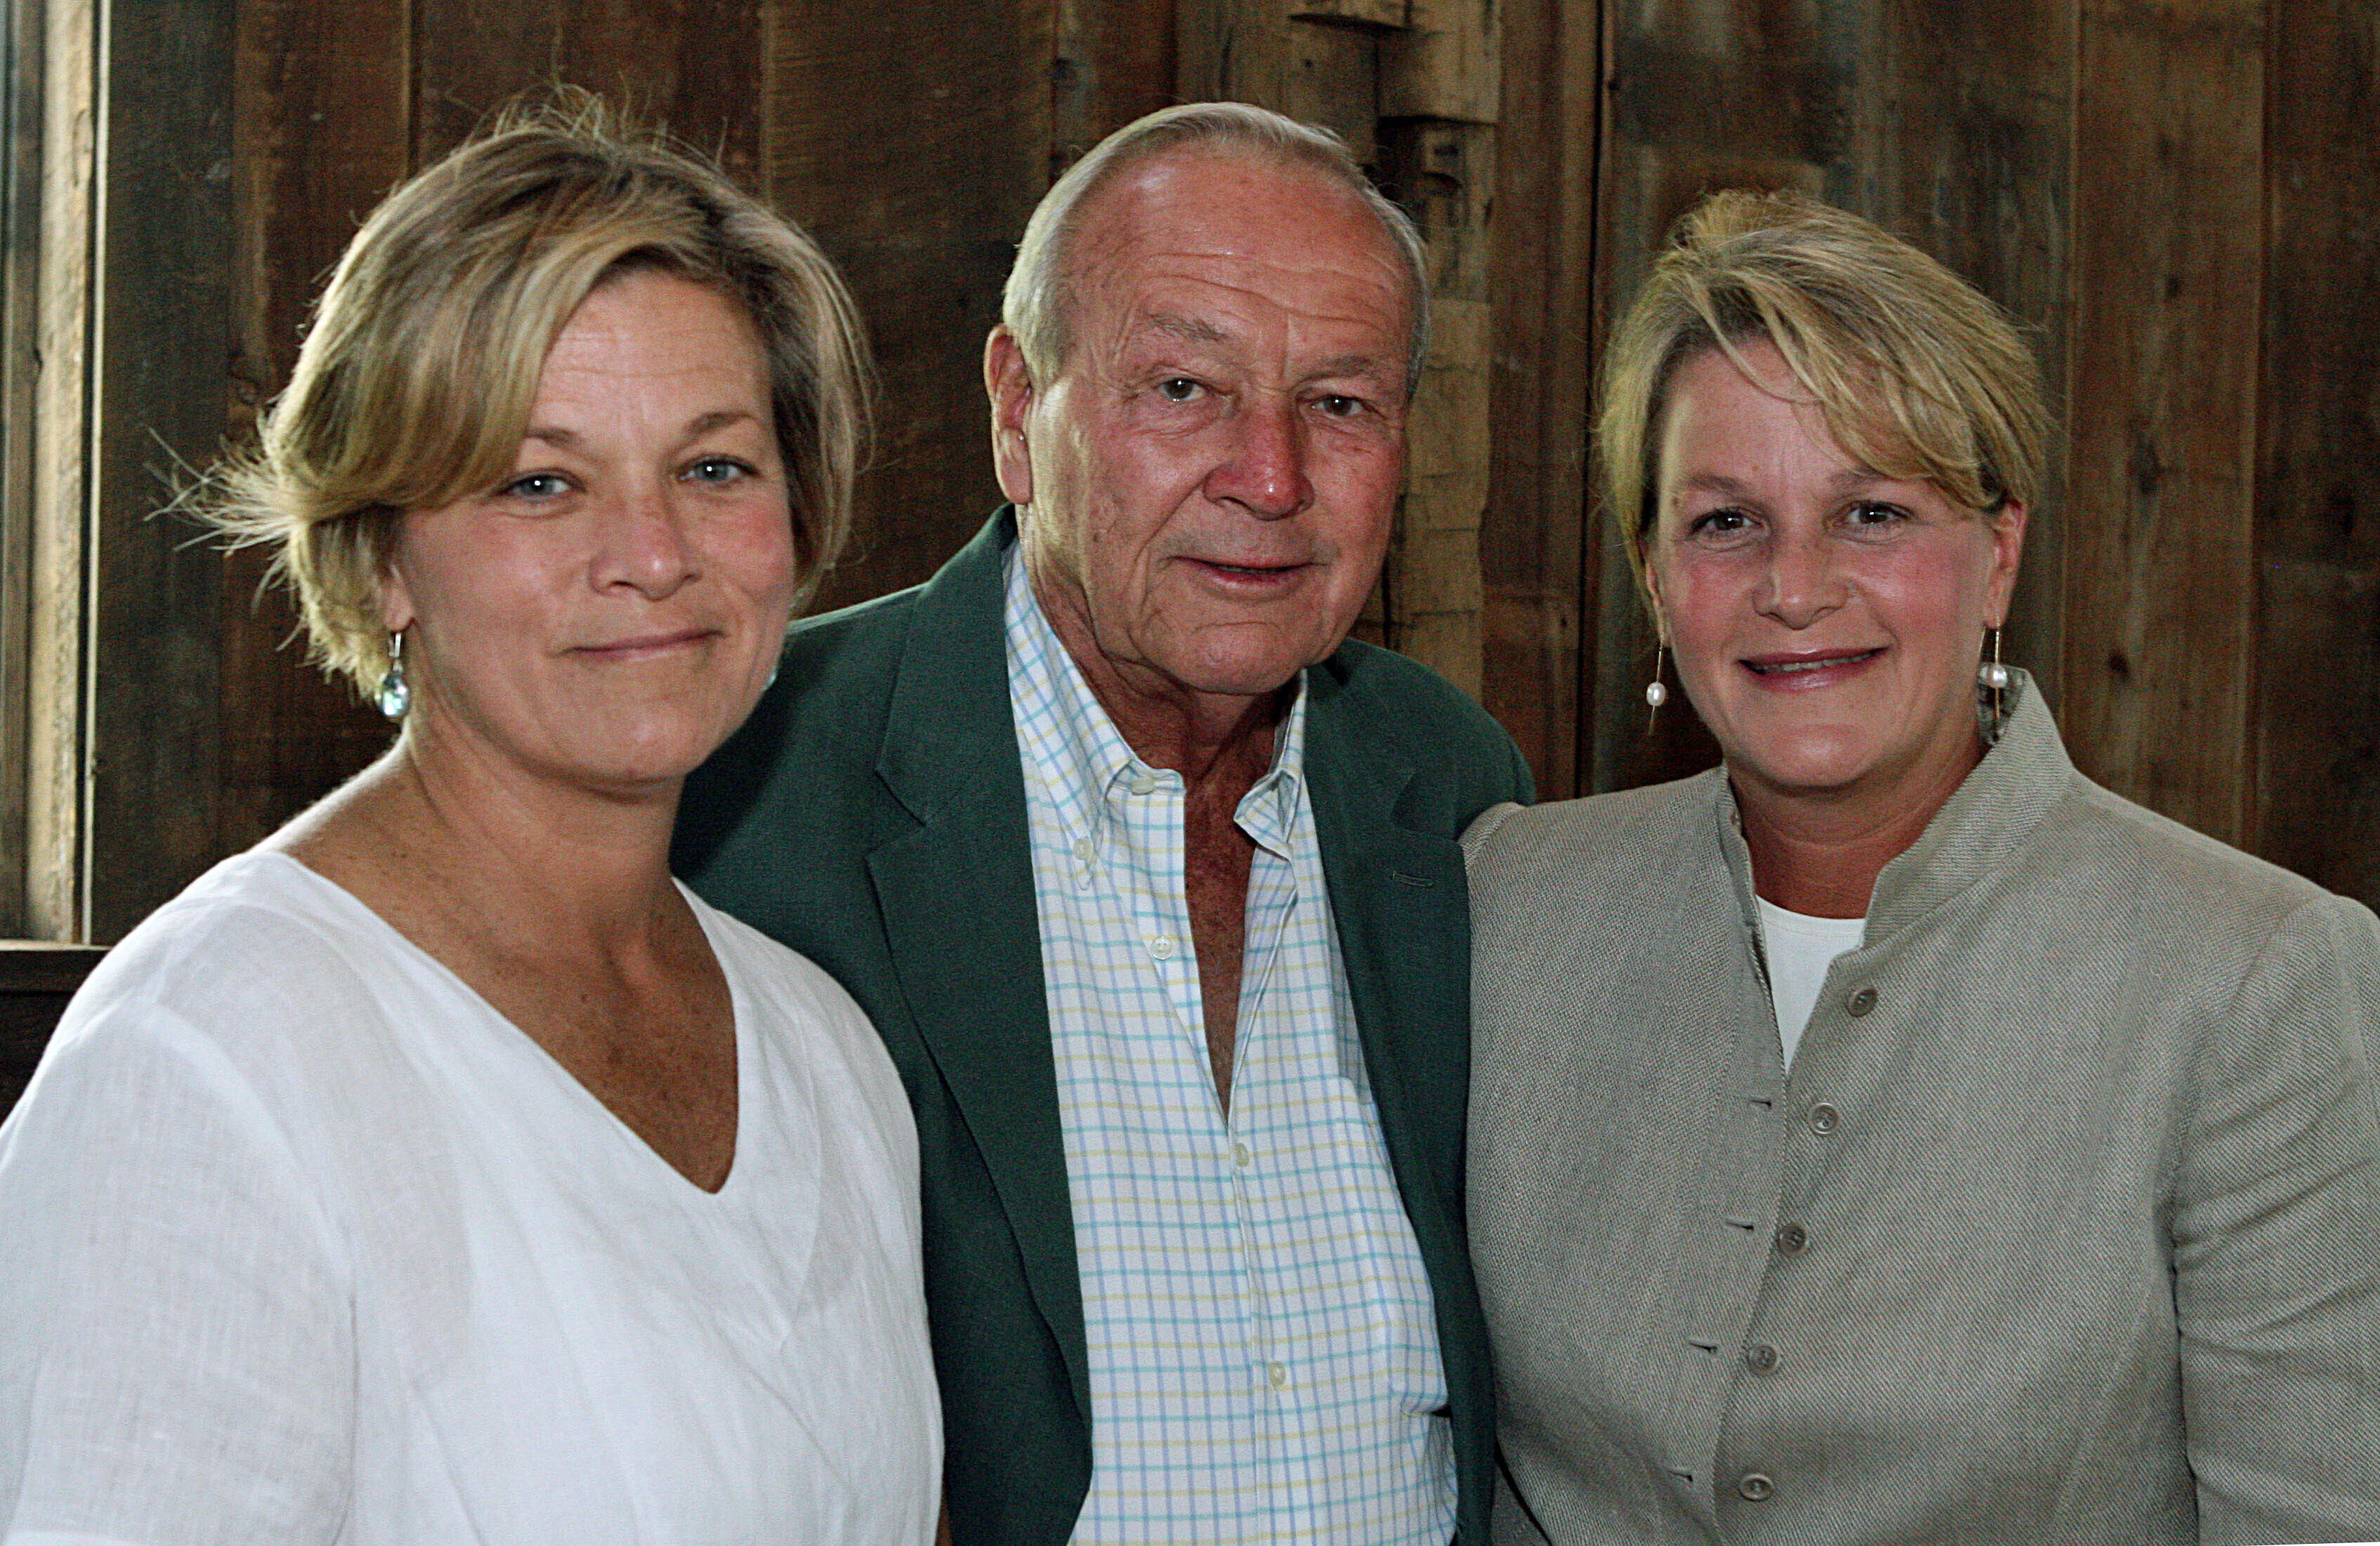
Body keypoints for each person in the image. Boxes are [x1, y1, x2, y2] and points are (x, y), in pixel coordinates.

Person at [0, 103, 940, 1541]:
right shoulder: (209, 1056)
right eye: (538, 481)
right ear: (379, 555)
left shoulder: (822, 1047)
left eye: (713, 468)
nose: (649, 556)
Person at [1464, 188, 2380, 1545]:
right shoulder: (1509, 908)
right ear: (1653, 578)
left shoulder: (2250, 977)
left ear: (1998, 553)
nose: (1797, 584)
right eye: (1725, 521)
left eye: (1874, 511)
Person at [677, 101, 1531, 1545]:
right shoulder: (744, 783)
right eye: (1185, 387)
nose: (1268, 478)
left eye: (1338, 403)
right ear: (1018, 411)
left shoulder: (1445, 786)